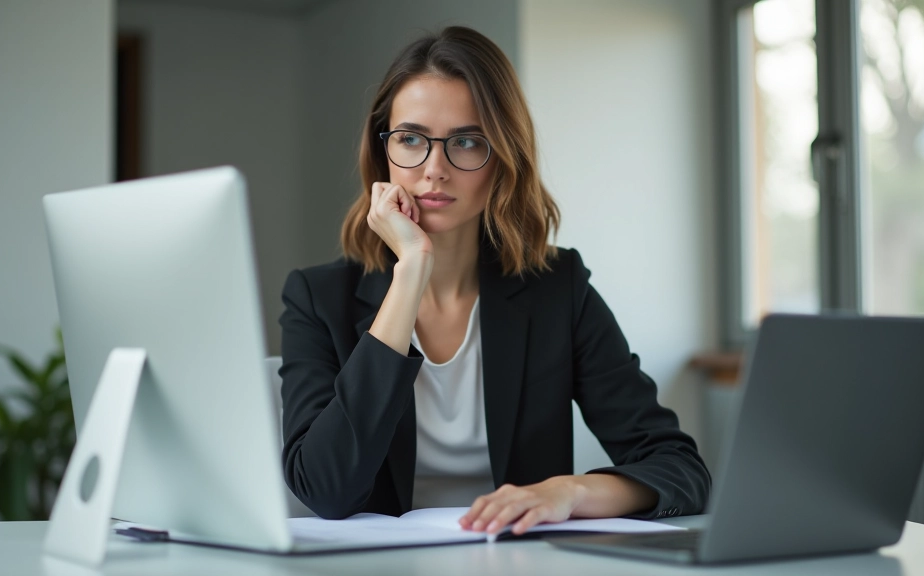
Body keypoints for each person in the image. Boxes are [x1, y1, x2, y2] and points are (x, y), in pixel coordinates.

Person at [279, 26, 709, 535]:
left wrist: (568, 491)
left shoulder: (558, 289)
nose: (434, 169)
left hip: (519, 561)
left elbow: (680, 470)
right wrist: (411, 270)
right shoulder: (317, 298)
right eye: (411, 139)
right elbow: (325, 488)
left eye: (466, 142)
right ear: (384, 151)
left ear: (503, 156)